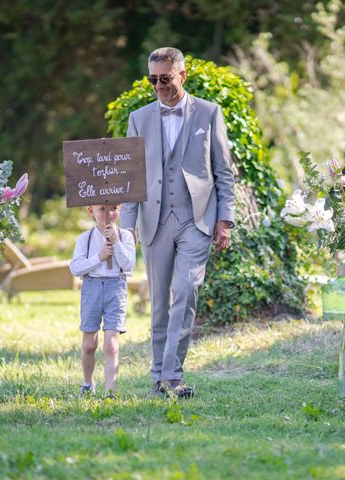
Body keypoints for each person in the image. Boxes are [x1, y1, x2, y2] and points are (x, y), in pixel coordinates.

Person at [120, 47, 235, 398]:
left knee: (185, 293)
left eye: (165, 79)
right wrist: (127, 228)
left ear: (182, 76)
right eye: (152, 79)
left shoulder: (209, 113)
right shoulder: (139, 118)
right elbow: (131, 176)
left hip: (196, 220)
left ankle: (172, 376)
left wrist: (225, 220)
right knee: (158, 303)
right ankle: (158, 375)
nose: (158, 86)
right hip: (153, 220)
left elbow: (223, 172)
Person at [69, 204, 135, 398]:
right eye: (102, 209)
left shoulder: (125, 237)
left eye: (114, 208)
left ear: (120, 209)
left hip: (116, 287)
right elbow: (76, 268)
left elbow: (129, 264)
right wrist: (99, 257)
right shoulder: (85, 239)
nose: (109, 213)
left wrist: (115, 242)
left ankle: (110, 391)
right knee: (89, 344)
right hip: (92, 287)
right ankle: (88, 384)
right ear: (91, 211)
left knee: (111, 344)